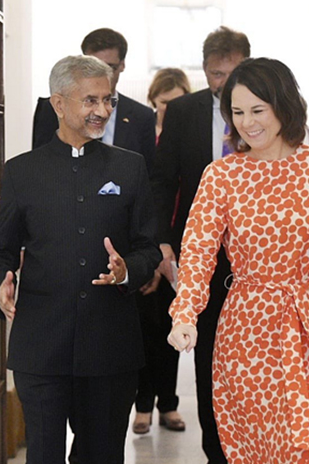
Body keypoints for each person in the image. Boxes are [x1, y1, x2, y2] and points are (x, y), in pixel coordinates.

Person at [150, 27, 309, 463]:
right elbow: (197, 252)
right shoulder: (222, 176)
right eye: (237, 112)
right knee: (252, 445)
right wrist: (185, 314)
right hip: (246, 329)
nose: (247, 123)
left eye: (258, 109)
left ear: (285, 106)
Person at [0, 55, 161, 464]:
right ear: (58, 104)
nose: (102, 110)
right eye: (90, 100)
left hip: (110, 346)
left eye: (109, 100)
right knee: (43, 454)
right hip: (41, 344)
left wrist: (126, 271)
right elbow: (0, 252)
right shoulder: (21, 173)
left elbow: (148, 248)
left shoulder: (129, 168)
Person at [149, 25, 250, 464]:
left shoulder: (263, 112)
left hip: (256, 256)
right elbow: (162, 181)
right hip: (200, 253)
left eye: (230, 73)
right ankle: (217, 452)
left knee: (249, 360)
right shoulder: (184, 112)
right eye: (213, 74)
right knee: (208, 357)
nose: (221, 83)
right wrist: (164, 244)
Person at [130, 67, 193, 435]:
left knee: (173, 328)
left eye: (178, 102)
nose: (171, 109)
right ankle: (142, 406)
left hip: (181, 247)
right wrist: (151, 250)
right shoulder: (143, 136)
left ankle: (168, 405)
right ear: (154, 100)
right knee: (142, 330)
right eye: (165, 102)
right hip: (144, 247)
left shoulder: (189, 138)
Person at [32, 28, 157, 173]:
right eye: (93, 66)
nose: (102, 75)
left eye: (109, 67)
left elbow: (149, 175)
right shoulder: (52, 108)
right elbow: (40, 164)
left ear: (122, 65)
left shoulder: (141, 116)